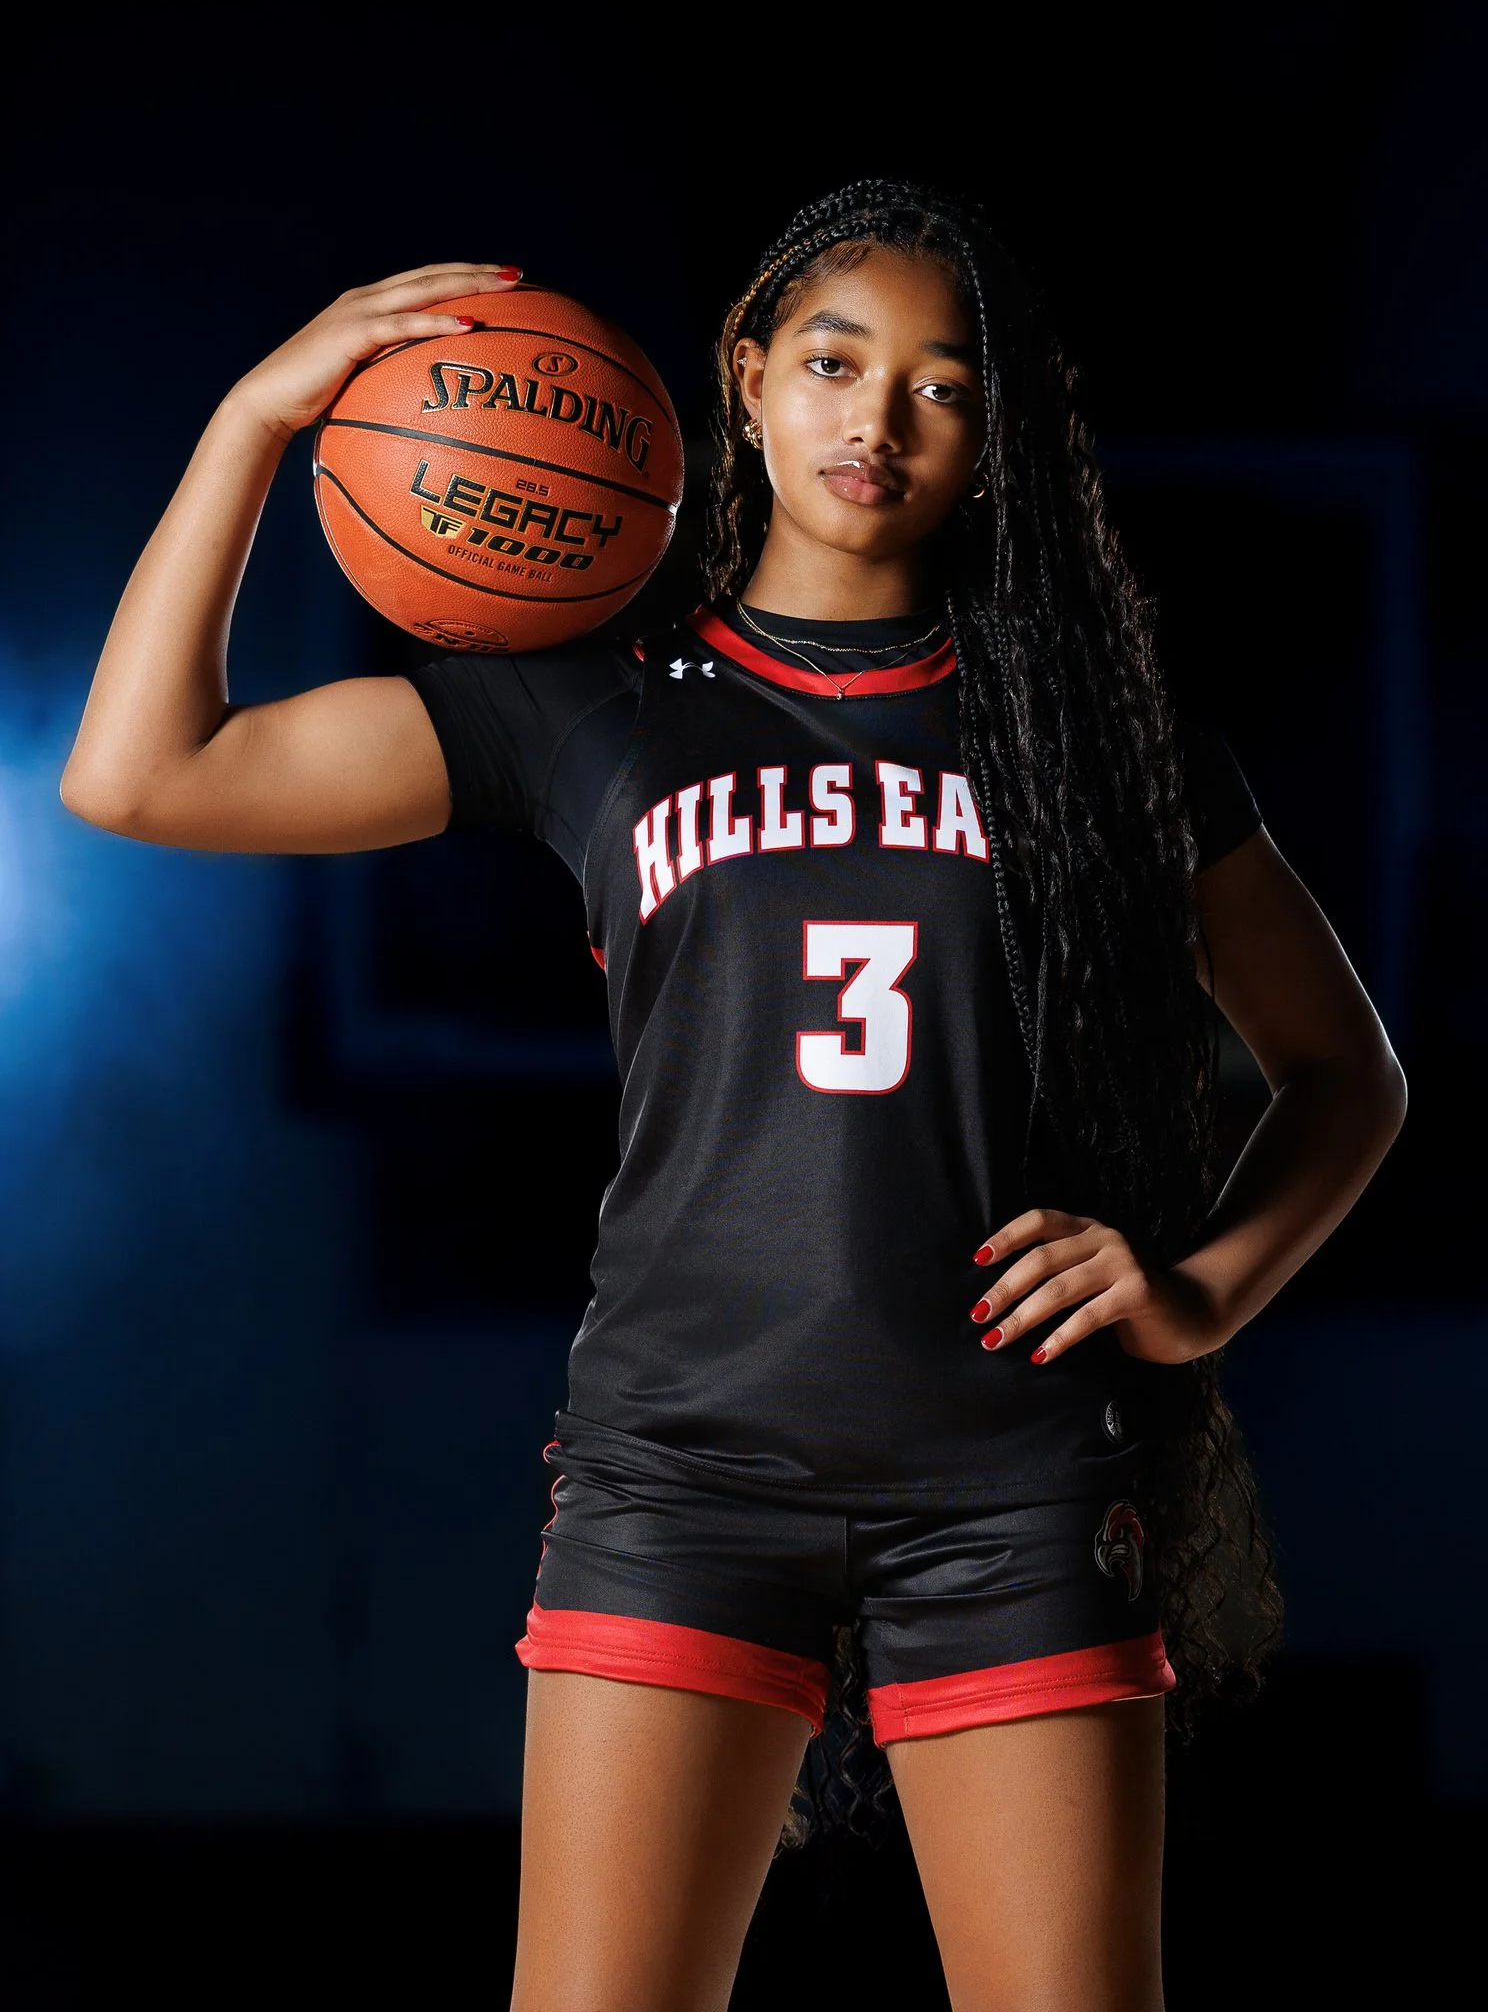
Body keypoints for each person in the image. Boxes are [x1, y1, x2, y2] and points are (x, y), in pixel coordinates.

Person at [61, 182, 1408, 2012]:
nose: (879, 418)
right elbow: (147, 773)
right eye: (838, 362)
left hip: (1006, 1477)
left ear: (995, 436)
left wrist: (1198, 1291)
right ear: (746, 383)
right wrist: (254, 420)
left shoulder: (1101, 734)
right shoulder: (595, 704)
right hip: (680, 1468)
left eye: (944, 385)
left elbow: (1344, 1070)